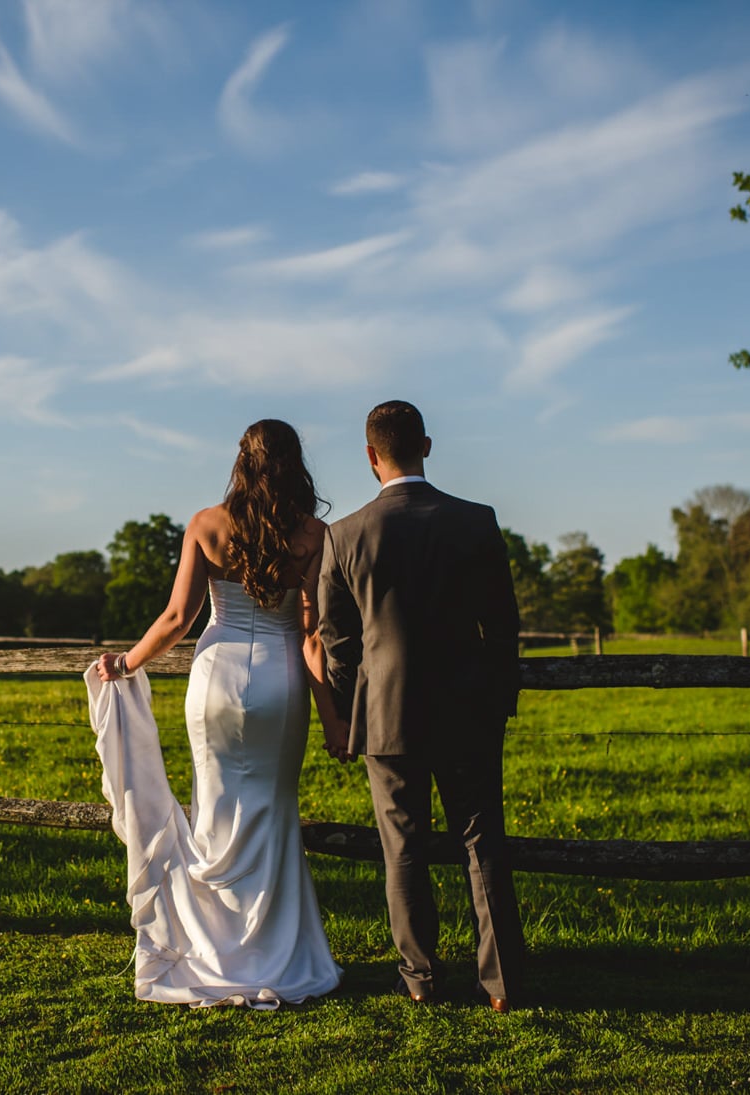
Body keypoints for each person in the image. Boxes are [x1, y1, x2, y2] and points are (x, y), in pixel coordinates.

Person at [87, 419, 344, 1008]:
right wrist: (333, 720)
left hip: (214, 681)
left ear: (242, 462)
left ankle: (209, 949)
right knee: (274, 809)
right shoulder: (312, 534)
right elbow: (311, 637)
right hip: (281, 679)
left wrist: (125, 663)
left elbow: (178, 619)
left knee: (214, 809)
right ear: (294, 462)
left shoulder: (207, 525)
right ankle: (274, 952)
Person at [317, 400, 525, 1011]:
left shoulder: (344, 534)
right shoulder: (477, 521)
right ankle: (501, 984)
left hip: (386, 716)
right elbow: (503, 625)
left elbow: (336, 639)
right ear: (426, 447)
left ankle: (420, 979)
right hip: (469, 710)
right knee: (482, 843)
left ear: (370, 456)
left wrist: (357, 698)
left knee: (403, 848)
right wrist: (499, 699)